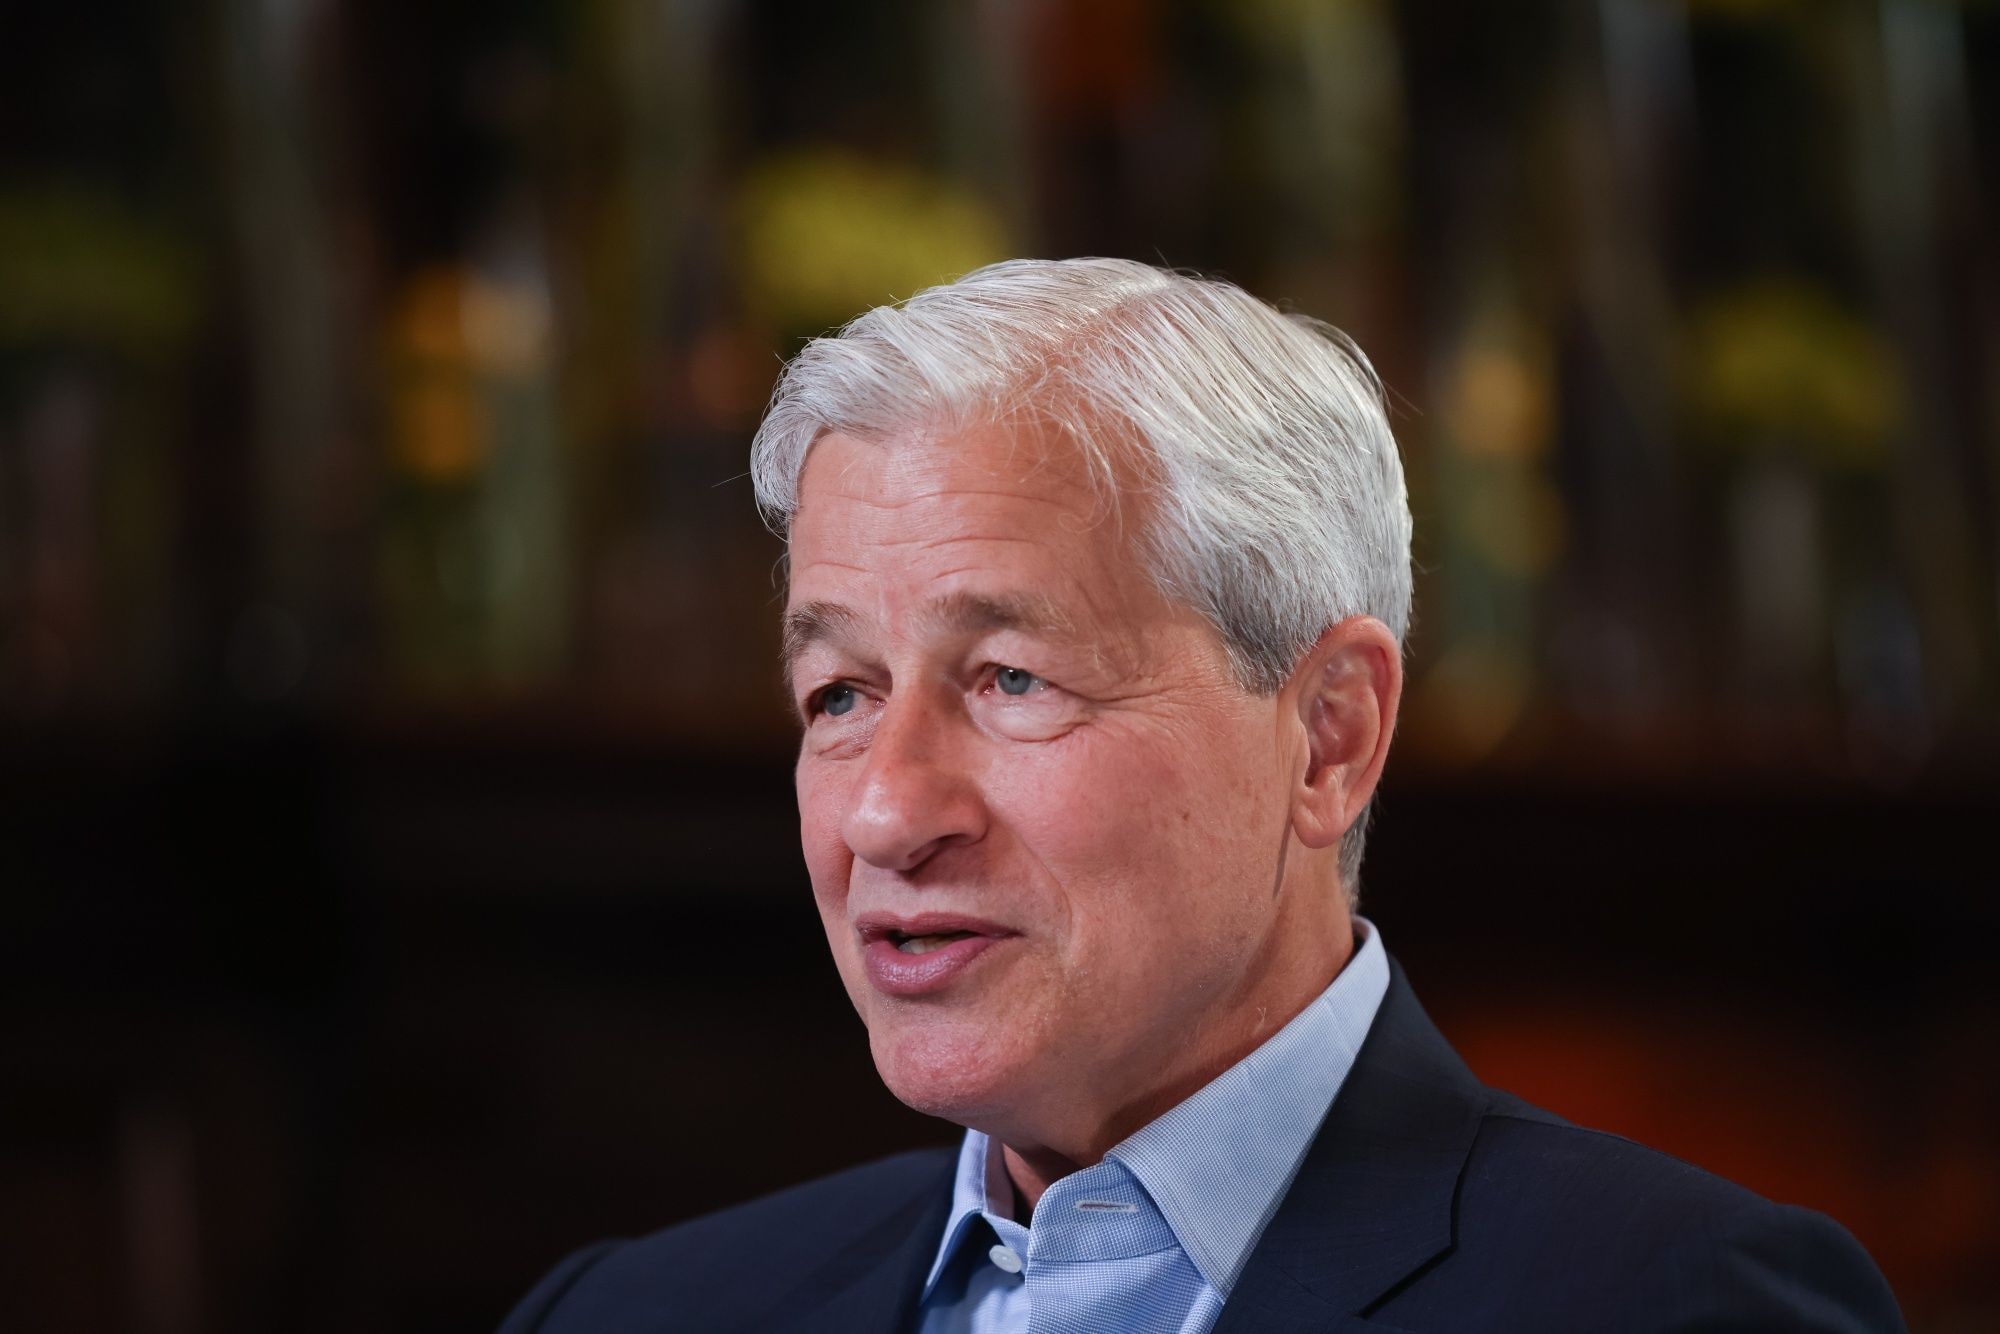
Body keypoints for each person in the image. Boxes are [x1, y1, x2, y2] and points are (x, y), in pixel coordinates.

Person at [500, 259, 1903, 1333]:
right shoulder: (628, 1314)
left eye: (1011, 679)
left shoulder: (1674, 1304)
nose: (885, 814)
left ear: (1329, 736)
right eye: (841, 697)